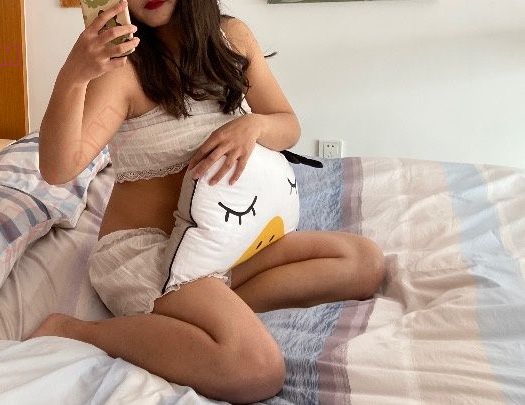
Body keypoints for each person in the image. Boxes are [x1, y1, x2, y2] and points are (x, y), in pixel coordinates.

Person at [32, 0, 386, 402]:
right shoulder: (124, 70)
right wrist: (74, 75)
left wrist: (253, 125)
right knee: (258, 370)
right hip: (154, 255)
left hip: (224, 244)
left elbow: (287, 124)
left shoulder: (231, 37)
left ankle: (208, 313)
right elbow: (58, 169)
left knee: (364, 263)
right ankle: (74, 330)